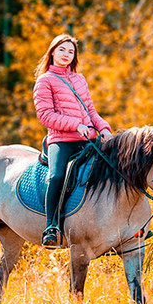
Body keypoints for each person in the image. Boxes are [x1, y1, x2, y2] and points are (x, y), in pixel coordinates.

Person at [33, 34, 112, 248]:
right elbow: (45, 115)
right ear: (52, 52)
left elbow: (91, 111)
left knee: (114, 168)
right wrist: (75, 125)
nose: (66, 54)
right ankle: (51, 227)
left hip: (89, 139)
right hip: (61, 140)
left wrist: (103, 128)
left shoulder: (79, 79)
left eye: (70, 51)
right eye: (62, 50)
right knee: (57, 176)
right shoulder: (45, 80)